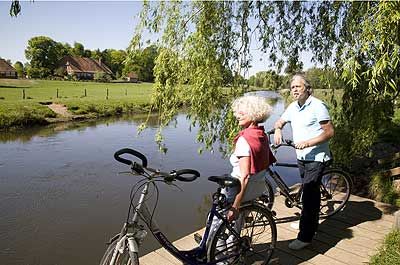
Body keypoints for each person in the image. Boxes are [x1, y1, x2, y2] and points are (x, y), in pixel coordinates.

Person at [273, 73, 334, 250]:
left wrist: (308, 142)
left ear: (307, 88)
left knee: (309, 196)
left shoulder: (317, 106)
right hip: (301, 157)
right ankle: (307, 223)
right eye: (292, 88)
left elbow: (329, 132)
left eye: (298, 87)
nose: (294, 90)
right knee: (310, 193)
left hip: (316, 157)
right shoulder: (293, 106)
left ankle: (305, 237)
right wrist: (278, 129)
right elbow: (280, 121)